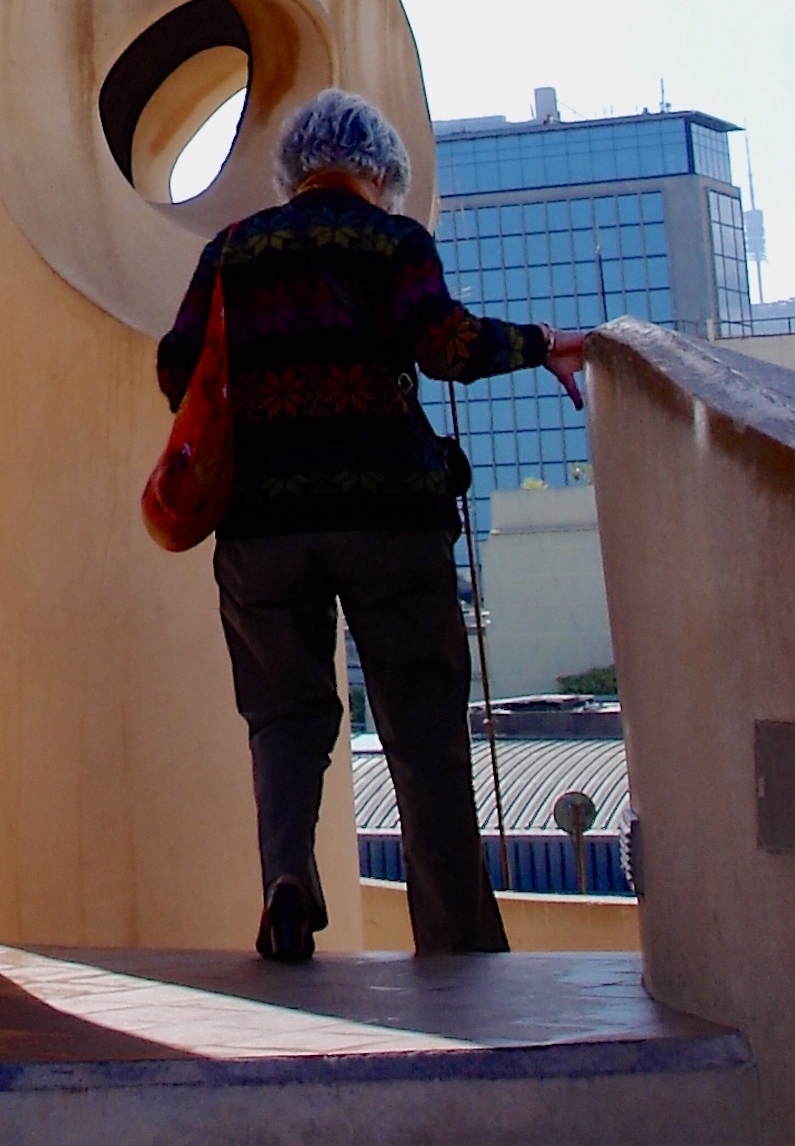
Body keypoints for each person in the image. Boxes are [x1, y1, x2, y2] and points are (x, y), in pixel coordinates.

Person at [156, 88, 589, 962]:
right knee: (423, 730)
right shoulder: (393, 243)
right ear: (380, 169)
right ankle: (456, 942)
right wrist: (543, 344)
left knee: (283, 715)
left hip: (261, 526)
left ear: (295, 169)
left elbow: (177, 367)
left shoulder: (232, 250)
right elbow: (446, 345)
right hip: (388, 515)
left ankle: (287, 878)